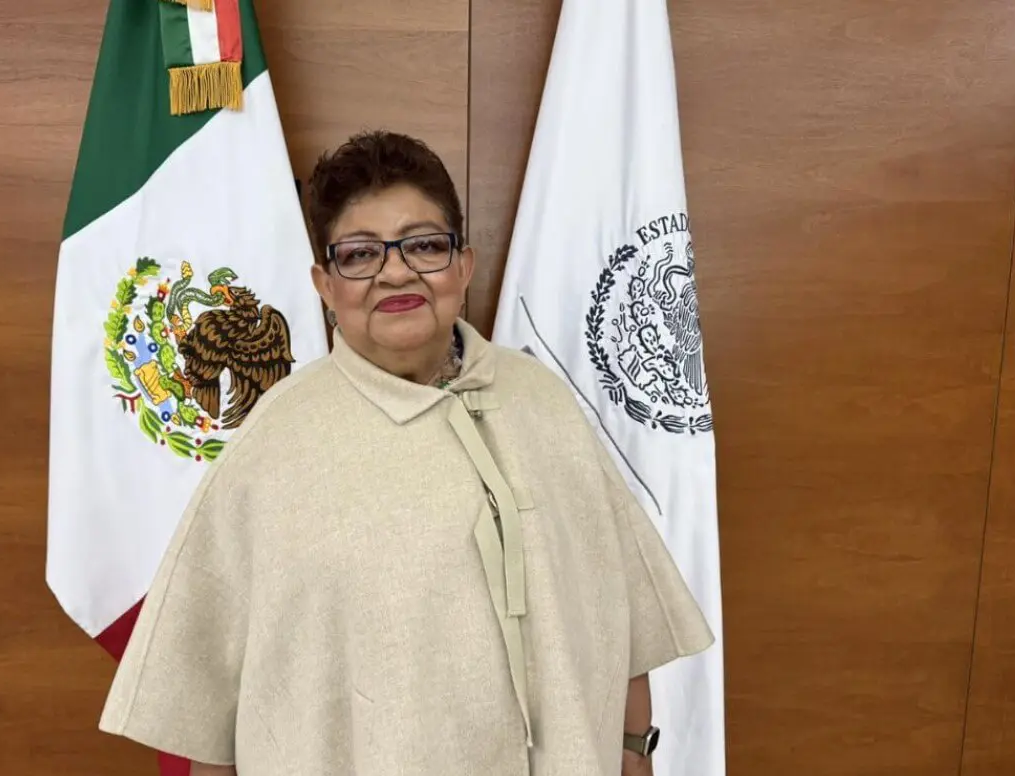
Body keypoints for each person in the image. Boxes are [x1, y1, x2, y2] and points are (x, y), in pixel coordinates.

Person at [97, 130, 714, 776]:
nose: (396, 272)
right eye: (361, 254)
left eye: (423, 245)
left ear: (462, 266)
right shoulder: (273, 448)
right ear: (325, 285)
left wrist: (633, 753)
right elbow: (206, 712)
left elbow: (626, 627)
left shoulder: (544, 405)